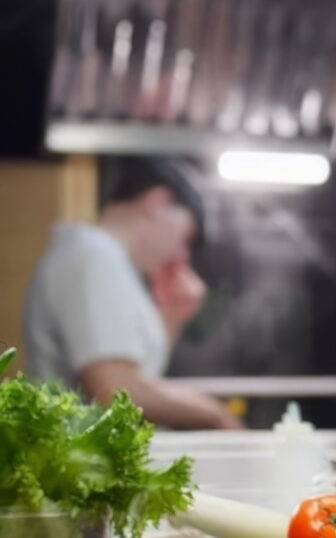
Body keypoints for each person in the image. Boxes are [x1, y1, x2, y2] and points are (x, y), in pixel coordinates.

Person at [23, 157, 242, 429]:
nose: (181, 255)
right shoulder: (93, 255)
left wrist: (171, 316)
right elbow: (112, 389)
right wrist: (215, 414)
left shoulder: (109, 263)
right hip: (80, 464)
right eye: (186, 238)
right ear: (157, 203)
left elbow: (136, 376)